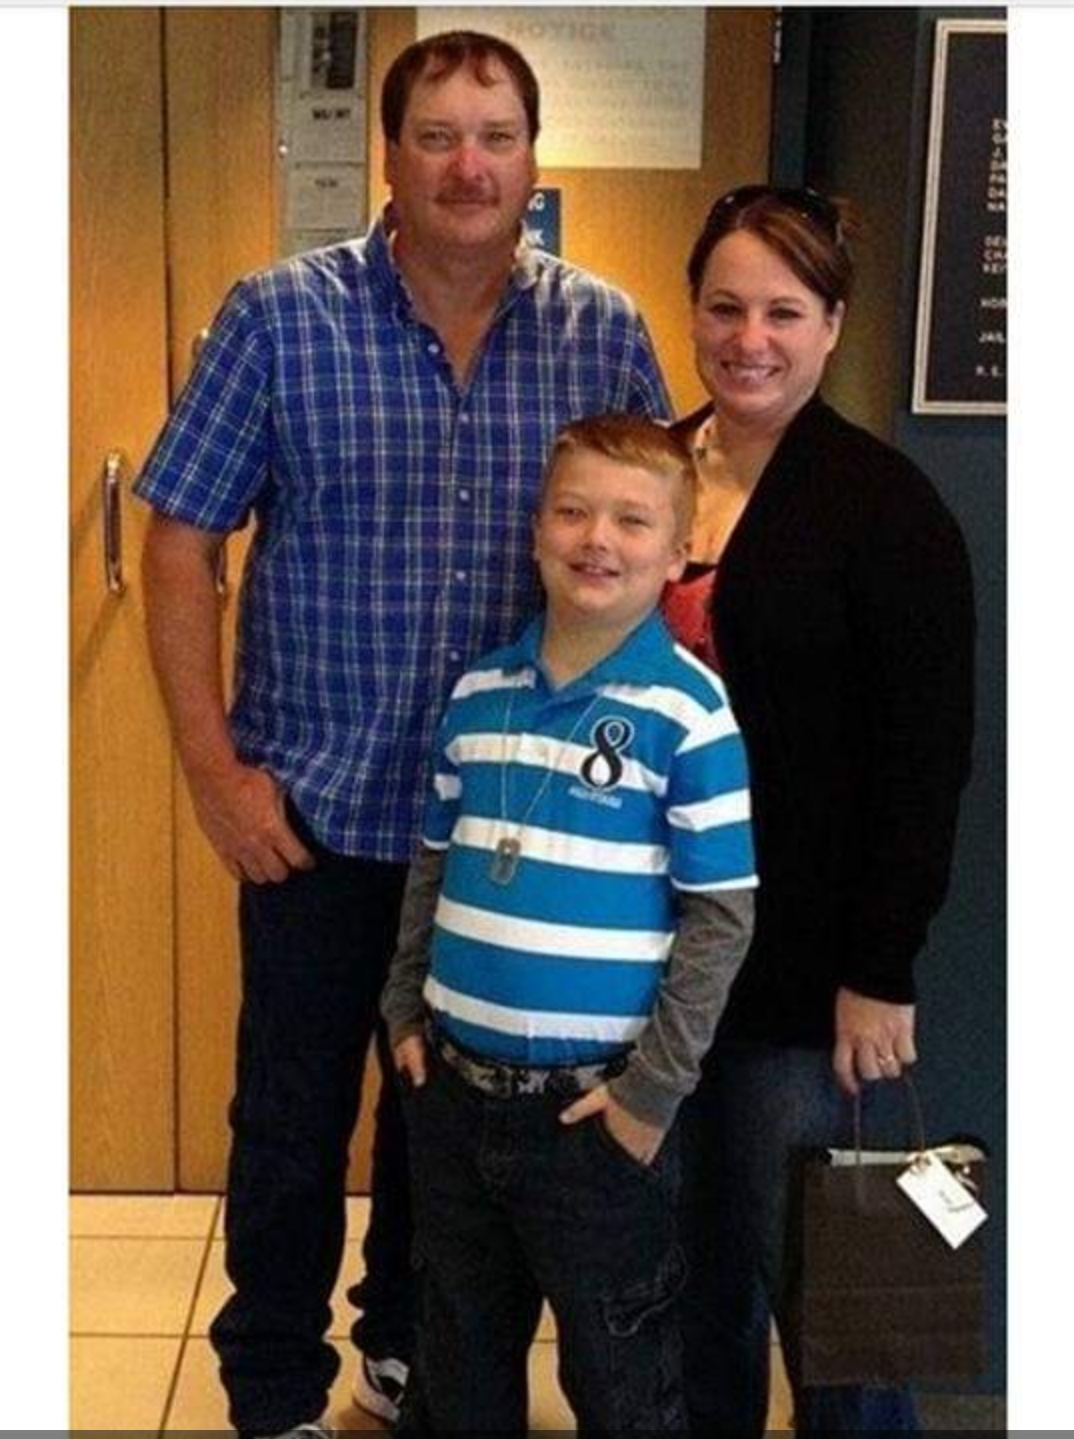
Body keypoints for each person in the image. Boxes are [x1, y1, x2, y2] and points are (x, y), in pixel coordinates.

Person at [134, 31, 671, 1439]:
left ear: (532, 156)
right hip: (312, 815)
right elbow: (180, 539)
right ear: (391, 153)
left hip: (508, 837)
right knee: (291, 1123)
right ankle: (271, 1386)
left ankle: (398, 1346)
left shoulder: (601, 330)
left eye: (495, 135)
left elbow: (647, 547)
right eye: (437, 135)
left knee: (449, 1134)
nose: (467, 165)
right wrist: (214, 773)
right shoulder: (279, 316)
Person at [660, 184, 976, 1434]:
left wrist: (878, 970)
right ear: (692, 311)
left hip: (801, 984)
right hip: (650, 967)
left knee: (834, 1307)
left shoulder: (885, 505)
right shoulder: (645, 471)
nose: (750, 338)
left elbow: (924, 760)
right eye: (725, 307)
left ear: (833, 324)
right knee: (690, 1295)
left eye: (783, 312)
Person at [380, 414, 758, 1432]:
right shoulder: (478, 694)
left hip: (598, 1113)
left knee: (623, 1377)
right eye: (573, 511)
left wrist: (649, 1094)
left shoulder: (691, 711)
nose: (598, 538)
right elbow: (434, 862)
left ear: (677, 552)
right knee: (459, 1360)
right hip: (453, 1096)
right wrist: (404, 1005)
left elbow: (720, 917)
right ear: (537, 530)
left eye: (633, 520)